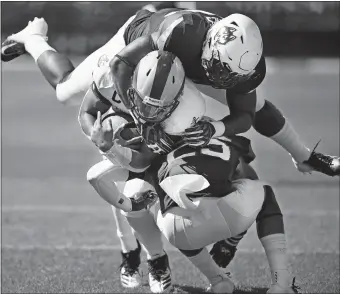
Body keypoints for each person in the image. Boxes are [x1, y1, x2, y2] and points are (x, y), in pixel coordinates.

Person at [91, 50, 300, 293]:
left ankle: (217, 281)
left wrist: (127, 200)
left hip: (178, 228)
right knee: (262, 192)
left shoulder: (147, 146)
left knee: (160, 204)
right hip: (231, 211)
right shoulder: (208, 126)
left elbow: (98, 175)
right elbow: (246, 173)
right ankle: (280, 284)